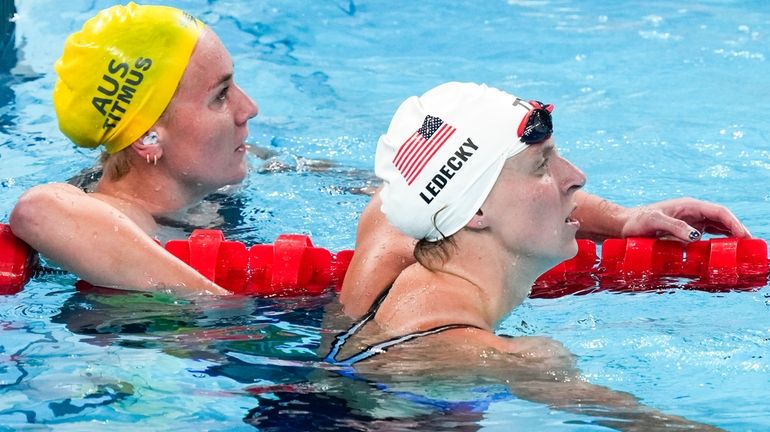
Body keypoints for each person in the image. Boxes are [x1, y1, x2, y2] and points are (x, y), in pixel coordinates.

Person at [328, 82, 737, 429]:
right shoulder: (507, 359)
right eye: (543, 165)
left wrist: (624, 220)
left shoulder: (390, 239)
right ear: (475, 213)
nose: (577, 178)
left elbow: (405, 186)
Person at [8, 3, 258, 294]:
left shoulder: (213, 176)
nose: (249, 109)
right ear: (148, 138)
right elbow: (37, 211)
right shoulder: (119, 216)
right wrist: (217, 303)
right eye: (220, 95)